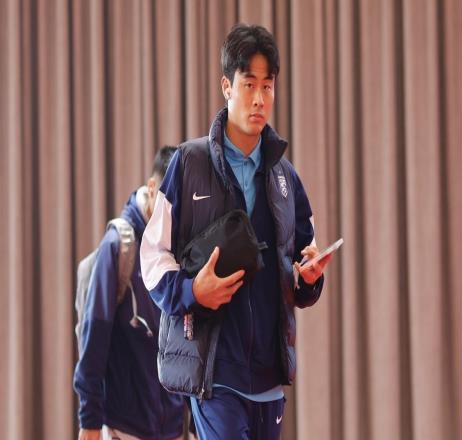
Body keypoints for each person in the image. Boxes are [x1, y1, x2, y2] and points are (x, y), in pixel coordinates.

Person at [140, 24, 332, 440]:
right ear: (227, 86)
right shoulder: (188, 164)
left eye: (268, 86)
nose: (260, 98)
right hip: (215, 375)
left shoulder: (286, 177)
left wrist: (310, 277)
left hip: (269, 378)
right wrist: (192, 292)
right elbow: (152, 258)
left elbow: (303, 260)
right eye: (249, 85)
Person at [74, 146, 184, 440]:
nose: (174, 216)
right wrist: (90, 419)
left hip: (172, 427)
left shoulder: (179, 246)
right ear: (152, 188)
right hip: (125, 428)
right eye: (169, 203)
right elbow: (94, 338)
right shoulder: (118, 246)